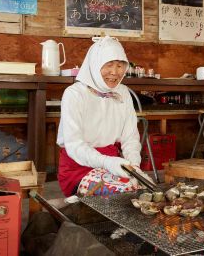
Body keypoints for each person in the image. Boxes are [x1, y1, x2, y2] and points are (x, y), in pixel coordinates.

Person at [57, 36, 142, 197]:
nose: (115, 72)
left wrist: (134, 167)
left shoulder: (122, 92)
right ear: (95, 65)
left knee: (141, 190)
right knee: (121, 194)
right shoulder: (74, 94)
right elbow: (74, 145)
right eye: (109, 65)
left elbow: (130, 137)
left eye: (120, 65)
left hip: (114, 164)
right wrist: (107, 162)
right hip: (78, 168)